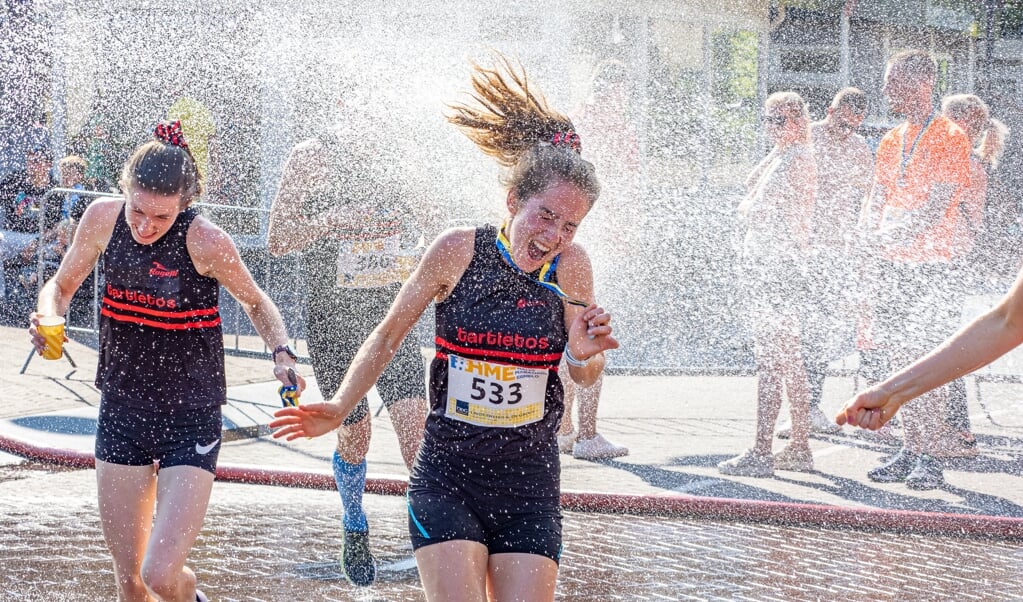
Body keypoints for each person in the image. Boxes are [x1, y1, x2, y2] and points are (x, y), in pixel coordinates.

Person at [270, 54, 618, 602]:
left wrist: (581, 355)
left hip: (529, 479)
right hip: (450, 475)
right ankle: (354, 516)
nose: (554, 235)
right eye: (545, 216)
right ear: (512, 201)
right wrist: (338, 407)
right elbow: (387, 336)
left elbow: (586, 366)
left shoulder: (571, 266)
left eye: (571, 225)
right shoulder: (458, 250)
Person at [28, 120, 306, 602]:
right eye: (137, 210)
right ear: (124, 190)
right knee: (130, 581)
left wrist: (281, 353)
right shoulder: (101, 219)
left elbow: (257, 302)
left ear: (185, 203)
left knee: (161, 574)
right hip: (121, 406)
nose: (144, 226)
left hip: (191, 414)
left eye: (160, 217)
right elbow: (61, 284)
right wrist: (47, 315)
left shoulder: (206, 241)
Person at [266, 81, 429, 587]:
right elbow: (276, 240)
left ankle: (434, 538)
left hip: (392, 314)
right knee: (355, 434)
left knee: (416, 431)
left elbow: (431, 222)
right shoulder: (311, 158)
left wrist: (418, 226)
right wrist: (331, 222)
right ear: (344, 110)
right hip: (335, 320)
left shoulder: (405, 157)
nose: (377, 130)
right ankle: (354, 520)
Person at [856, 50, 973, 490]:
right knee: (898, 360)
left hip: (933, 267)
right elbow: (876, 198)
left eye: (892, 81)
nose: (884, 90)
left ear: (922, 82)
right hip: (894, 267)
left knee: (928, 361)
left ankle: (930, 456)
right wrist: (866, 235)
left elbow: (939, 203)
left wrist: (890, 237)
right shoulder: (891, 138)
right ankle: (909, 448)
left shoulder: (950, 134)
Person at [718, 91, 817, 478]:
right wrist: (777, 146)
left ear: (797, 122)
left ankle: (761, 451)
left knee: (773, 362)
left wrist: (747, 205)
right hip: (776, 268)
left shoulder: (797, 159)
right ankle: (800, 447)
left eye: (778, 121)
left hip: (777, 269)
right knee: (789, 360)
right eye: (767, 120)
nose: (770, 128)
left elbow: (756, 207)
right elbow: (750, 181)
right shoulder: (788, 154)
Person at [778, 87, 874, 440]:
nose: (842, 130)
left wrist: (860, 242)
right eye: (838, 121)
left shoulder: (859, 149)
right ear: (830, 110)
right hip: (797, 247)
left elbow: (869, 199)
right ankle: (801, 410)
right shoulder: (809, 136)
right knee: (793, 331)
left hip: (833, 251)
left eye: (850, 126)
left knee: (817, 334)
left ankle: (810, 407)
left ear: (858, 122)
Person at [556, 58, 637, 460]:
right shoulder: (588, 125)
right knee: (588, 334)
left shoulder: (575, 122)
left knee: (571, 338)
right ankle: (585, 434)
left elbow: (626, 186)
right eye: (612, 89)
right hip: (580, 248)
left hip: (569, 244)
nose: (615, 98)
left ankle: (566, 429)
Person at [937, 93, 1009, 459]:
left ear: (962, 123)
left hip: (949, 263)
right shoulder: (967, 159)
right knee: (937, 345)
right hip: (948, 261)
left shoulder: (967, 163)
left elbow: (933, 206)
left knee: (942, 347)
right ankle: (945, 428)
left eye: (946, 117)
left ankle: (957, 431)